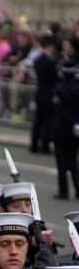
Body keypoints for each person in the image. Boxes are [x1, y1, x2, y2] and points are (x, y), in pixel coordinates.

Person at [52, 56, 79, 200]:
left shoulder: (58, 87)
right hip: (75, 129)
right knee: (73, 159)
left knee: (61, 160)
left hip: (61, 128)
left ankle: (63, 190)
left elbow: (59, 108)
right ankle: (78, 187)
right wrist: (76, 123)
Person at [31, 32, 58, 154]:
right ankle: (45, 144)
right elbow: (54, 78)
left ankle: (34, 144)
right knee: (48, 120)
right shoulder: (50, 61)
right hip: (49, 92)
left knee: (38, 120)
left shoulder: (37, 60)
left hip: (40, 90)